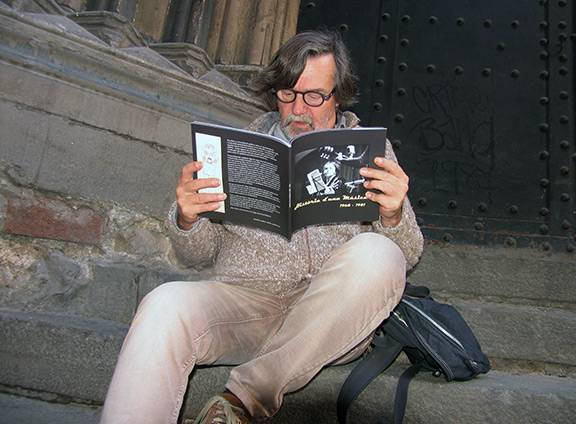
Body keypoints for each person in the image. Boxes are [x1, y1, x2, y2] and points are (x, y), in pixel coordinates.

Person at [100, 29, 423, 424]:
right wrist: (187, 219)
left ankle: (241, 399)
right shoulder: (236, 146)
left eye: (314, 96)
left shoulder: (369, 150)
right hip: (245, 307)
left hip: (327, 317)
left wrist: (392, 216)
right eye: (288, 94)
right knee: (164, 304)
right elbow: (196, 254)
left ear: (339, 94)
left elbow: (406, 256)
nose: (299, 110)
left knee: (380, 254)